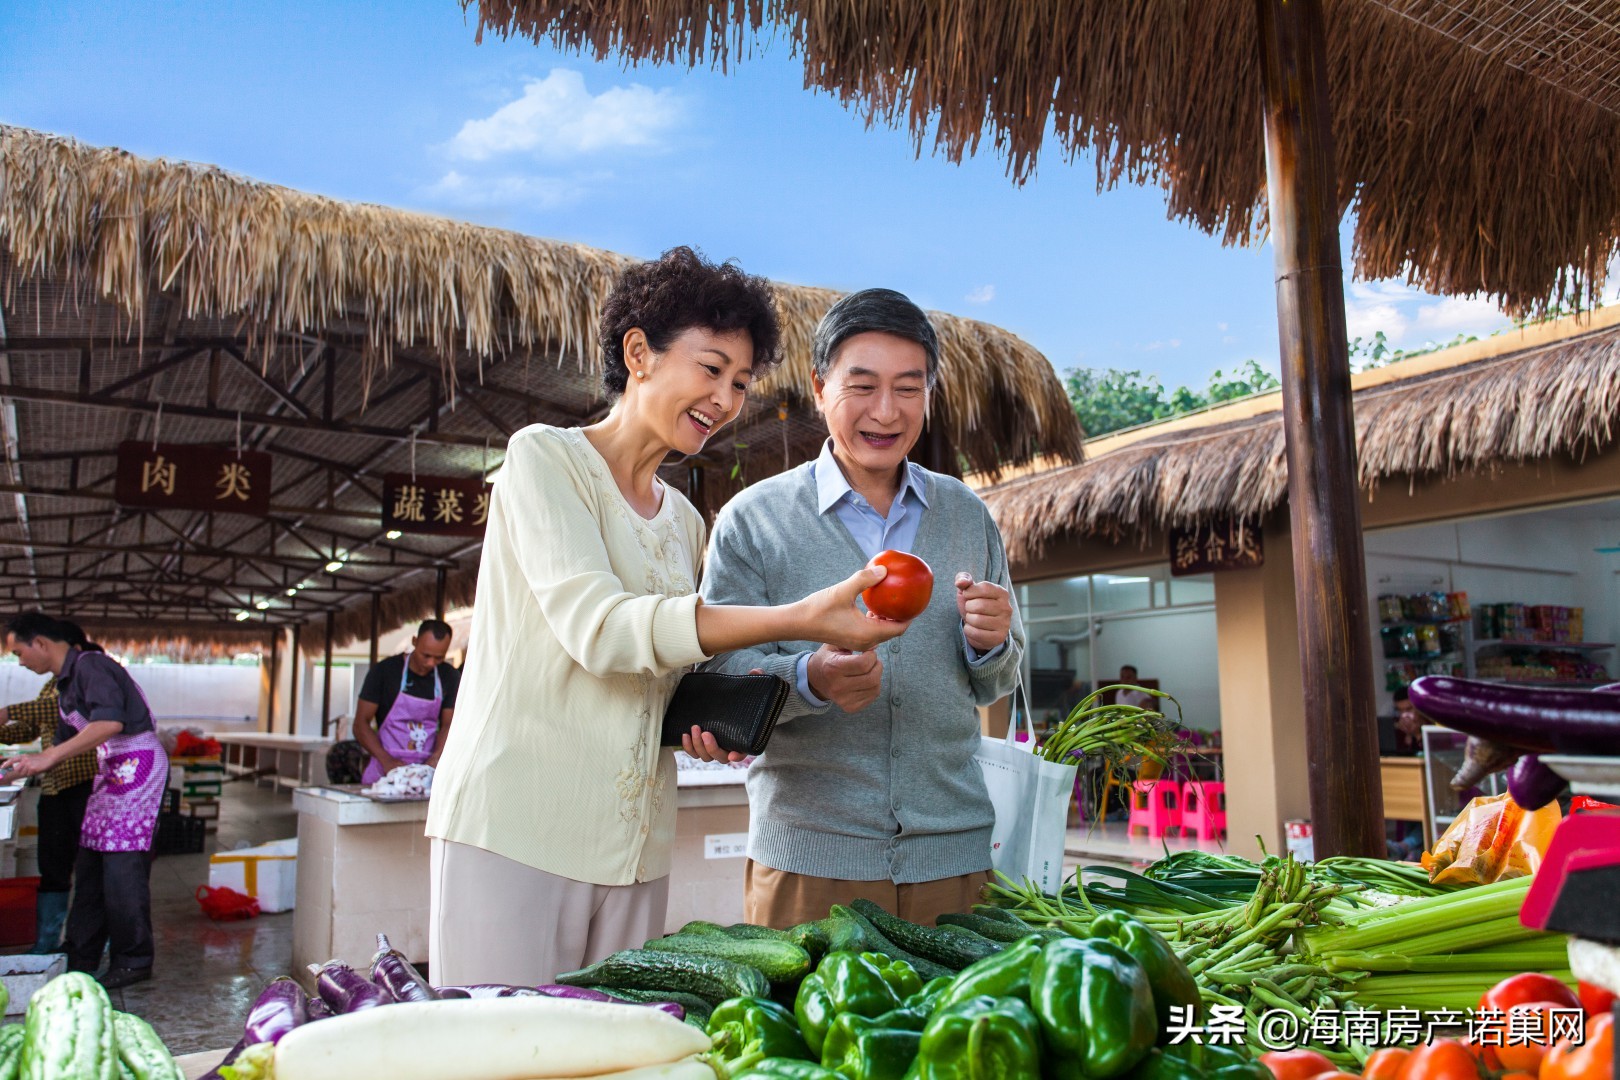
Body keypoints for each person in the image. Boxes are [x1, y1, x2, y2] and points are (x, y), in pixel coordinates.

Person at [425, 247, 912, 985]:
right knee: (502, 1039)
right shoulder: (545, 460)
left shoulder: (684, 520)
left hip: (635, 844)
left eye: (740, 382)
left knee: (614, 1043)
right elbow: (603, 631)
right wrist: (802, 617)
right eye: (711, 368)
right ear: (638, 354)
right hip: (514, 825)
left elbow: (667, 671)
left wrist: (727, 713)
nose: (725, 399)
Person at [698, 287, 1025, 929]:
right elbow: (717, 682)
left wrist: (990, 644)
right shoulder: (754, 521)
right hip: (808, 863)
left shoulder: (966, 515)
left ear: (929, 394)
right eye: (863, 385)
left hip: (954, 859)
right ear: (820, 387)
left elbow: (997, 682)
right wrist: (809, 680)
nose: (886, 411)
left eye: (908, 388)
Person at [2, 613, 168, 989]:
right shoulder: (64, 687)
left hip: (138, 766)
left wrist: (47, 758)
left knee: (122, 865)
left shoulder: (92, 665)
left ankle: (134, 958)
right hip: (110, 770)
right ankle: (81, 952)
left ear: (40, 643)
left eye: (19, 652)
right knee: (90, 862)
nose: (20, 662)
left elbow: (110, 724)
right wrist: (16, 769)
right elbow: (63, 742)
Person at [0, 625, 98, 954]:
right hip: (55, 785)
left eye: (20, 653)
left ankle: (88, 944)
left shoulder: (88, 673)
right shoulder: (52, 682)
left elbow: (58, 709)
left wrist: (7, 712)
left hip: (84, 783)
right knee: (52, 865)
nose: (20, 662)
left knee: (89, 867)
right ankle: (46, 944)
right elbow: (33, 726)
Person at [353, 620, 459, 784]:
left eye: (439, 658)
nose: (431, 663)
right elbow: (360, 724)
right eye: (426, 655)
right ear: (414, 641)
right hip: (384, 769)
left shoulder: (449, 676)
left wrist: (435, 758)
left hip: (426, 772)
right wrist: (387, 760)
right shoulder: (384, 671)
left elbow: (449, 725)